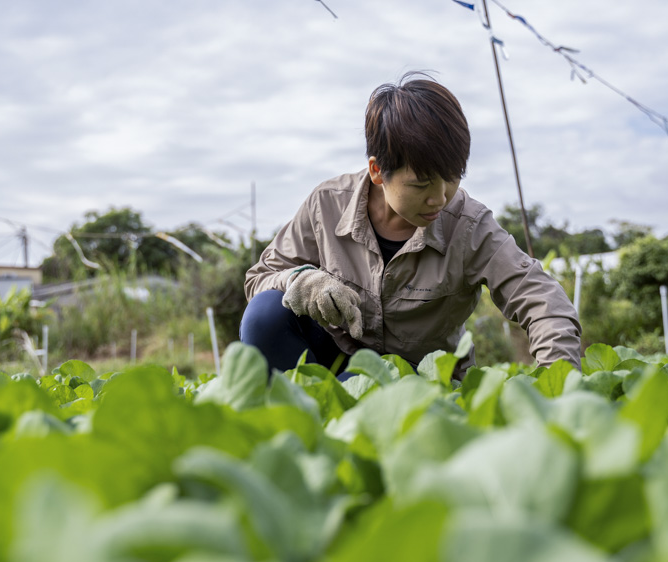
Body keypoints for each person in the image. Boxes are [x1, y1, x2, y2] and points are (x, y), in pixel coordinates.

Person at [241, 72, 581, 378]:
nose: (439, 198)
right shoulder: (327, 204)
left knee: (360, 388)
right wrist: (299, 280)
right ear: (377, 171)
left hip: (420, 380)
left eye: (452, 178)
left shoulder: (469, 226)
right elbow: (258, 279)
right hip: (337, 358)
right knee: (265, 315)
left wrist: (558, 385)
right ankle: (297, 423)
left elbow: (542, 300)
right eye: (421, 184)